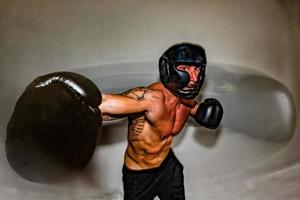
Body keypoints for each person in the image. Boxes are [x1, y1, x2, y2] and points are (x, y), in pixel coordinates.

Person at [99, 42, 224, 200]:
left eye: (197, 69)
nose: (193, 78)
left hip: (168, 166)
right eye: (184, 69)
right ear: (168, 69)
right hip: (139, 175)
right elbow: (106, 105)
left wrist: (204, 113)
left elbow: (194, 109)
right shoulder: (150, 99)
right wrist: (80, 105)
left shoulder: (186, 100)